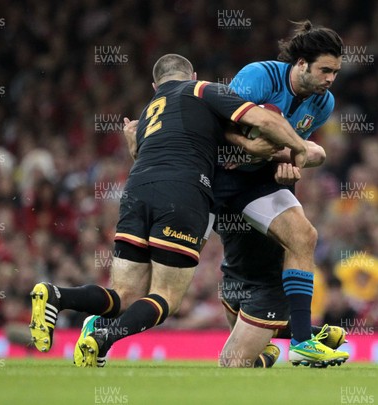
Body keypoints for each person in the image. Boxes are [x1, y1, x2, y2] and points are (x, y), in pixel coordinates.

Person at [29, 53, 308, 367]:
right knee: (167, 297)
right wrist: (297, 148)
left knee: (124, 295)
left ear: (154, 84)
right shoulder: (202, 90)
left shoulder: (150, 111)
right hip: (183, 192)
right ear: (193, 74)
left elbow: (142, 153)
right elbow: (263, 121)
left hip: (135, 190)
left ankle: (58, 296)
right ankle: (104, 337)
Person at [213, 20, 347, 365]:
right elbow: (217, 124)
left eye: (335, 71)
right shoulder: (260, 76)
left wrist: (286, 165)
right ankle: (108, 314)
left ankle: (301, 341)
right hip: (218, 174)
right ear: (300, 64)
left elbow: (294, 150)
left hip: (260, 180)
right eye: (325, 70)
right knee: (207, 271)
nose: (330, 79)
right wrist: (248, 148)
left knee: (304, 235)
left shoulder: (323, 103)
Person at [215, 207, 348, 368]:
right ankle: (303, 334)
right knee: (232, 357)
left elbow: (302, 235)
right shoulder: (218, 195)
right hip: (232, 272)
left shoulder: (272, 200)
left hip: (264, 281)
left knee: (232, 364)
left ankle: (302, 339)